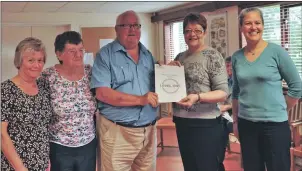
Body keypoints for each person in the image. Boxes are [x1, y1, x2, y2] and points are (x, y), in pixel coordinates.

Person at [232, 7, 302, 171]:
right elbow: (235, 91)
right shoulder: (236, 57)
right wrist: (235, 121)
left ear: (263, 26)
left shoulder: (276, 52)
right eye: (248, 23)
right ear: (241, 27)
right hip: (246, 124)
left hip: (275, 126)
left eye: (257, 22)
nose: (253, 27)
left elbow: (297, 86)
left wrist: (281, 107)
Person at [91, 10, 158, 171]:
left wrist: (169, 71)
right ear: (116, 29)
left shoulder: (147, 55)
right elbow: (102, 93)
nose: (132, 29)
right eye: (126, 25)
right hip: (118, 133)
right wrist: (140, 99)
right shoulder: (105, 55)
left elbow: (155, 85)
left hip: (148, 132)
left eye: (136, 25)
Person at [169, 13, 229, 171]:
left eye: (197, 30)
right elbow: (172, 87)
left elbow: (223, 92)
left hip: (205, 124)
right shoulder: (180, 57)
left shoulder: (213, 56)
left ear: (205, 31)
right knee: (190, 166)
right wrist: (167, 71)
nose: (192, 34)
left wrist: (198, 97)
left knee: (208, 167)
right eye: (188, 30)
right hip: (182, 121)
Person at [41, 31, 97, 171]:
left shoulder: (91, 73)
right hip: (59, 146)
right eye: (72, 51)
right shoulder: (47, 77)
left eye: (80, 50)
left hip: (88, 144)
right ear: (59, 54)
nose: (78, 55)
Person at [1, 37, 52, 171]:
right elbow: (1, 135)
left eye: (40, 60)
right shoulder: (6, 90)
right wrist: (20, 168)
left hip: (42, 164)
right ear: (19, 61)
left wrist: (47, 160)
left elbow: (43, 127)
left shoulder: (43, 86)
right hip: (15, 166)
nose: (37, 65)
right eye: (31, 60)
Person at [218, 56, 234, 171]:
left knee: (221, 125)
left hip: (235, 115)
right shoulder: (225, 81)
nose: (228, 68)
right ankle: (217, 161)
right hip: (224, 113)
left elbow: (242, 101)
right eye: (226, 66)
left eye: (230, 66)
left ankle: (218, 161)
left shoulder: (240, 81)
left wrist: (225, 107)